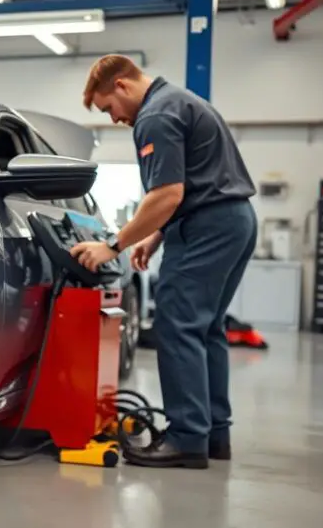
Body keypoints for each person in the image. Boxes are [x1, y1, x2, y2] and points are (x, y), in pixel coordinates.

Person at [69, 54, 258, 469]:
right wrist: (154, 236)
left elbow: (167, 194)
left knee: (177, 325)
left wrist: (112, 246)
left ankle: (187, 439)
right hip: (234, 221)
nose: (115, 118)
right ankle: (214, 435)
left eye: (108, 108)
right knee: (206, 329)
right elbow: (190, 186)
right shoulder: (180, 100)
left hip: (207, 227)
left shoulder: (154, 116)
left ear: (121, 85)